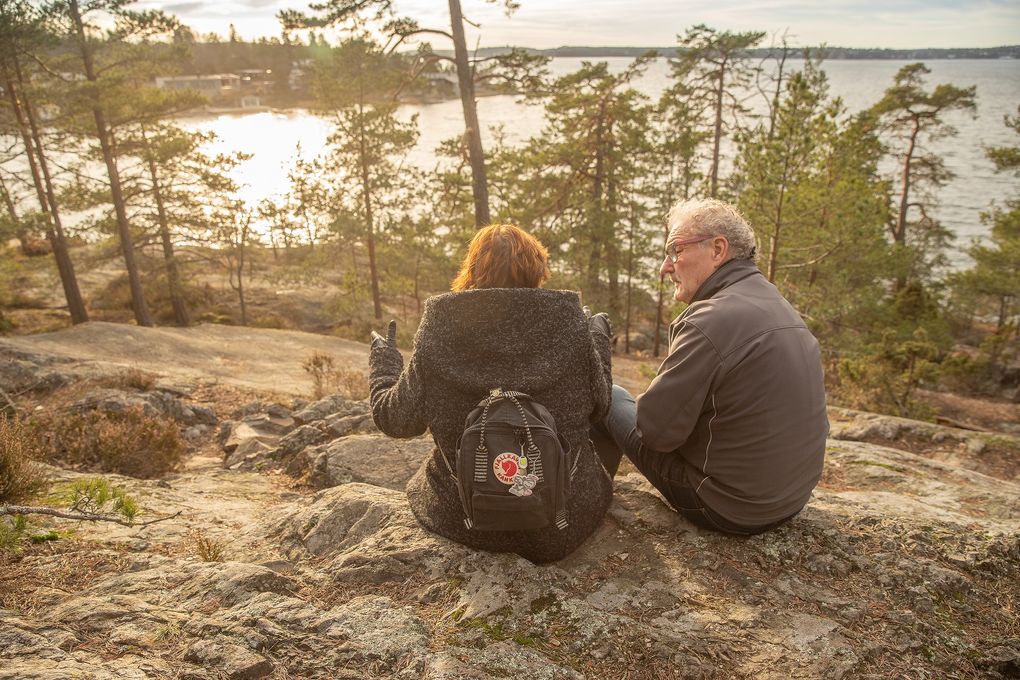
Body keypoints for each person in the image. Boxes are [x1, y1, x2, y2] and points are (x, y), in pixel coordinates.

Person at [368, 224, 614, 563]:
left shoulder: (440, 328)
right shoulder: (571, 324)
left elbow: (395, 420)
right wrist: (597, 338)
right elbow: (601, 407)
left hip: (464, 521)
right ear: (538, 269)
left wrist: (384, 361)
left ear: (470, 270)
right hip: (564, 522)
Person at [600, 198, 828, 535]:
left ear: (718, 249)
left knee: (612, 394)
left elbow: (654, 433)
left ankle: (588, 494)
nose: (666, 266)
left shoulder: (709, 320)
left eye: (675, 249)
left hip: (727, 507)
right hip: (791, 500)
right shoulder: (780, 306)